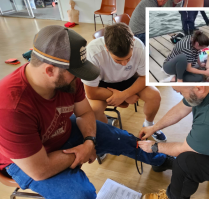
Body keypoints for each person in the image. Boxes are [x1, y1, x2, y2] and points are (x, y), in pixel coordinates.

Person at [0, 25, 173, 199]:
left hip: (63, 132)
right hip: (27, 162)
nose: (79, 79)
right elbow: (40, 170)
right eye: (75, 73)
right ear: (50, 70)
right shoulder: (11, 106)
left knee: (122, 138)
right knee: (82, 195)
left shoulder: (67, 80)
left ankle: (162, 160)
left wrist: (90, 141)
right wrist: (83, 151)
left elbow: (84, 113)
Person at [83, 22, 167, 142]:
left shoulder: (139, 46)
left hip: (129, 79)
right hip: (103, 84)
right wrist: (124, 97)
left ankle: (149, 124)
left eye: (128, 58)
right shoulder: (92, 52)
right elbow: (91, 92)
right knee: (93, 109)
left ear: (133, 42)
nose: (124, 64)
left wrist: (124, 94)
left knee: (155, 96)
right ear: (106, 48)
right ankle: (107, 135)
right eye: (118, 60)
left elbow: (143, 77)